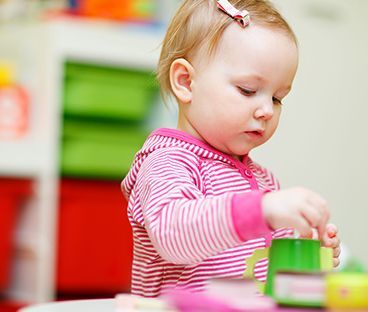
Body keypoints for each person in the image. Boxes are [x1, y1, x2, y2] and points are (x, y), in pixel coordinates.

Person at [121, 0, 341, 298]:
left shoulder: (263, 181)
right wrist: (263, 210)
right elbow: (173, 237)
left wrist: (306, 255)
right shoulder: (167, 162)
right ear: (186, 81)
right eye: (248, 90)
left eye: (277, 98)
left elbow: (268, 275)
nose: (266, 110)